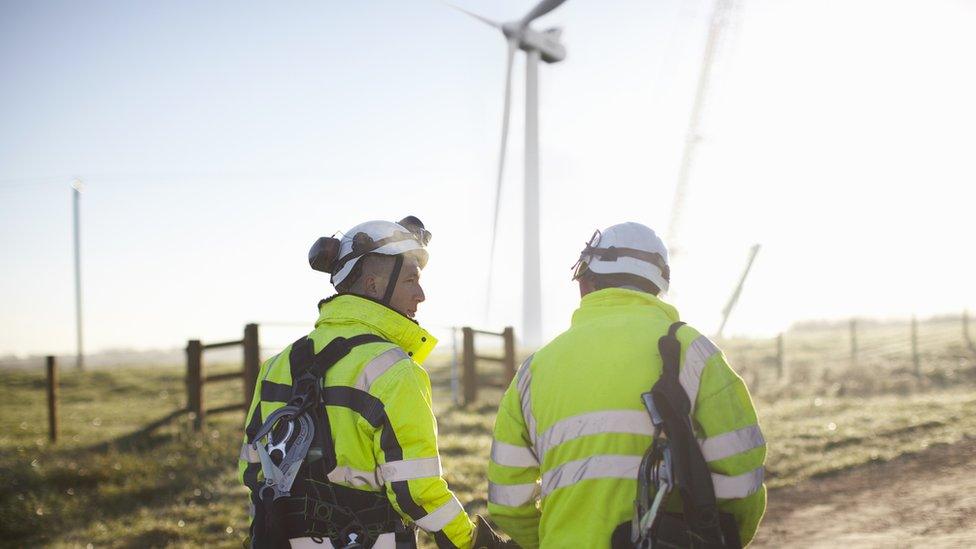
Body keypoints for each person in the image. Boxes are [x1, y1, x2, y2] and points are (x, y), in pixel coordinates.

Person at [487, 222, 766, 548]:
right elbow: (741, 478)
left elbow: (507, 500)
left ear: (585, 284)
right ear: (658, 286)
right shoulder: (695, 353)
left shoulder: (534, 370)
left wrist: (551, 540)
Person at [238, 216, 510, 549]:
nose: (421, 294)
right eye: (412, 279)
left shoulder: (276, 366)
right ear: (372, 286)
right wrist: (476, 542)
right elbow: (418, 490)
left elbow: (252, 470)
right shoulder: (393, 370)